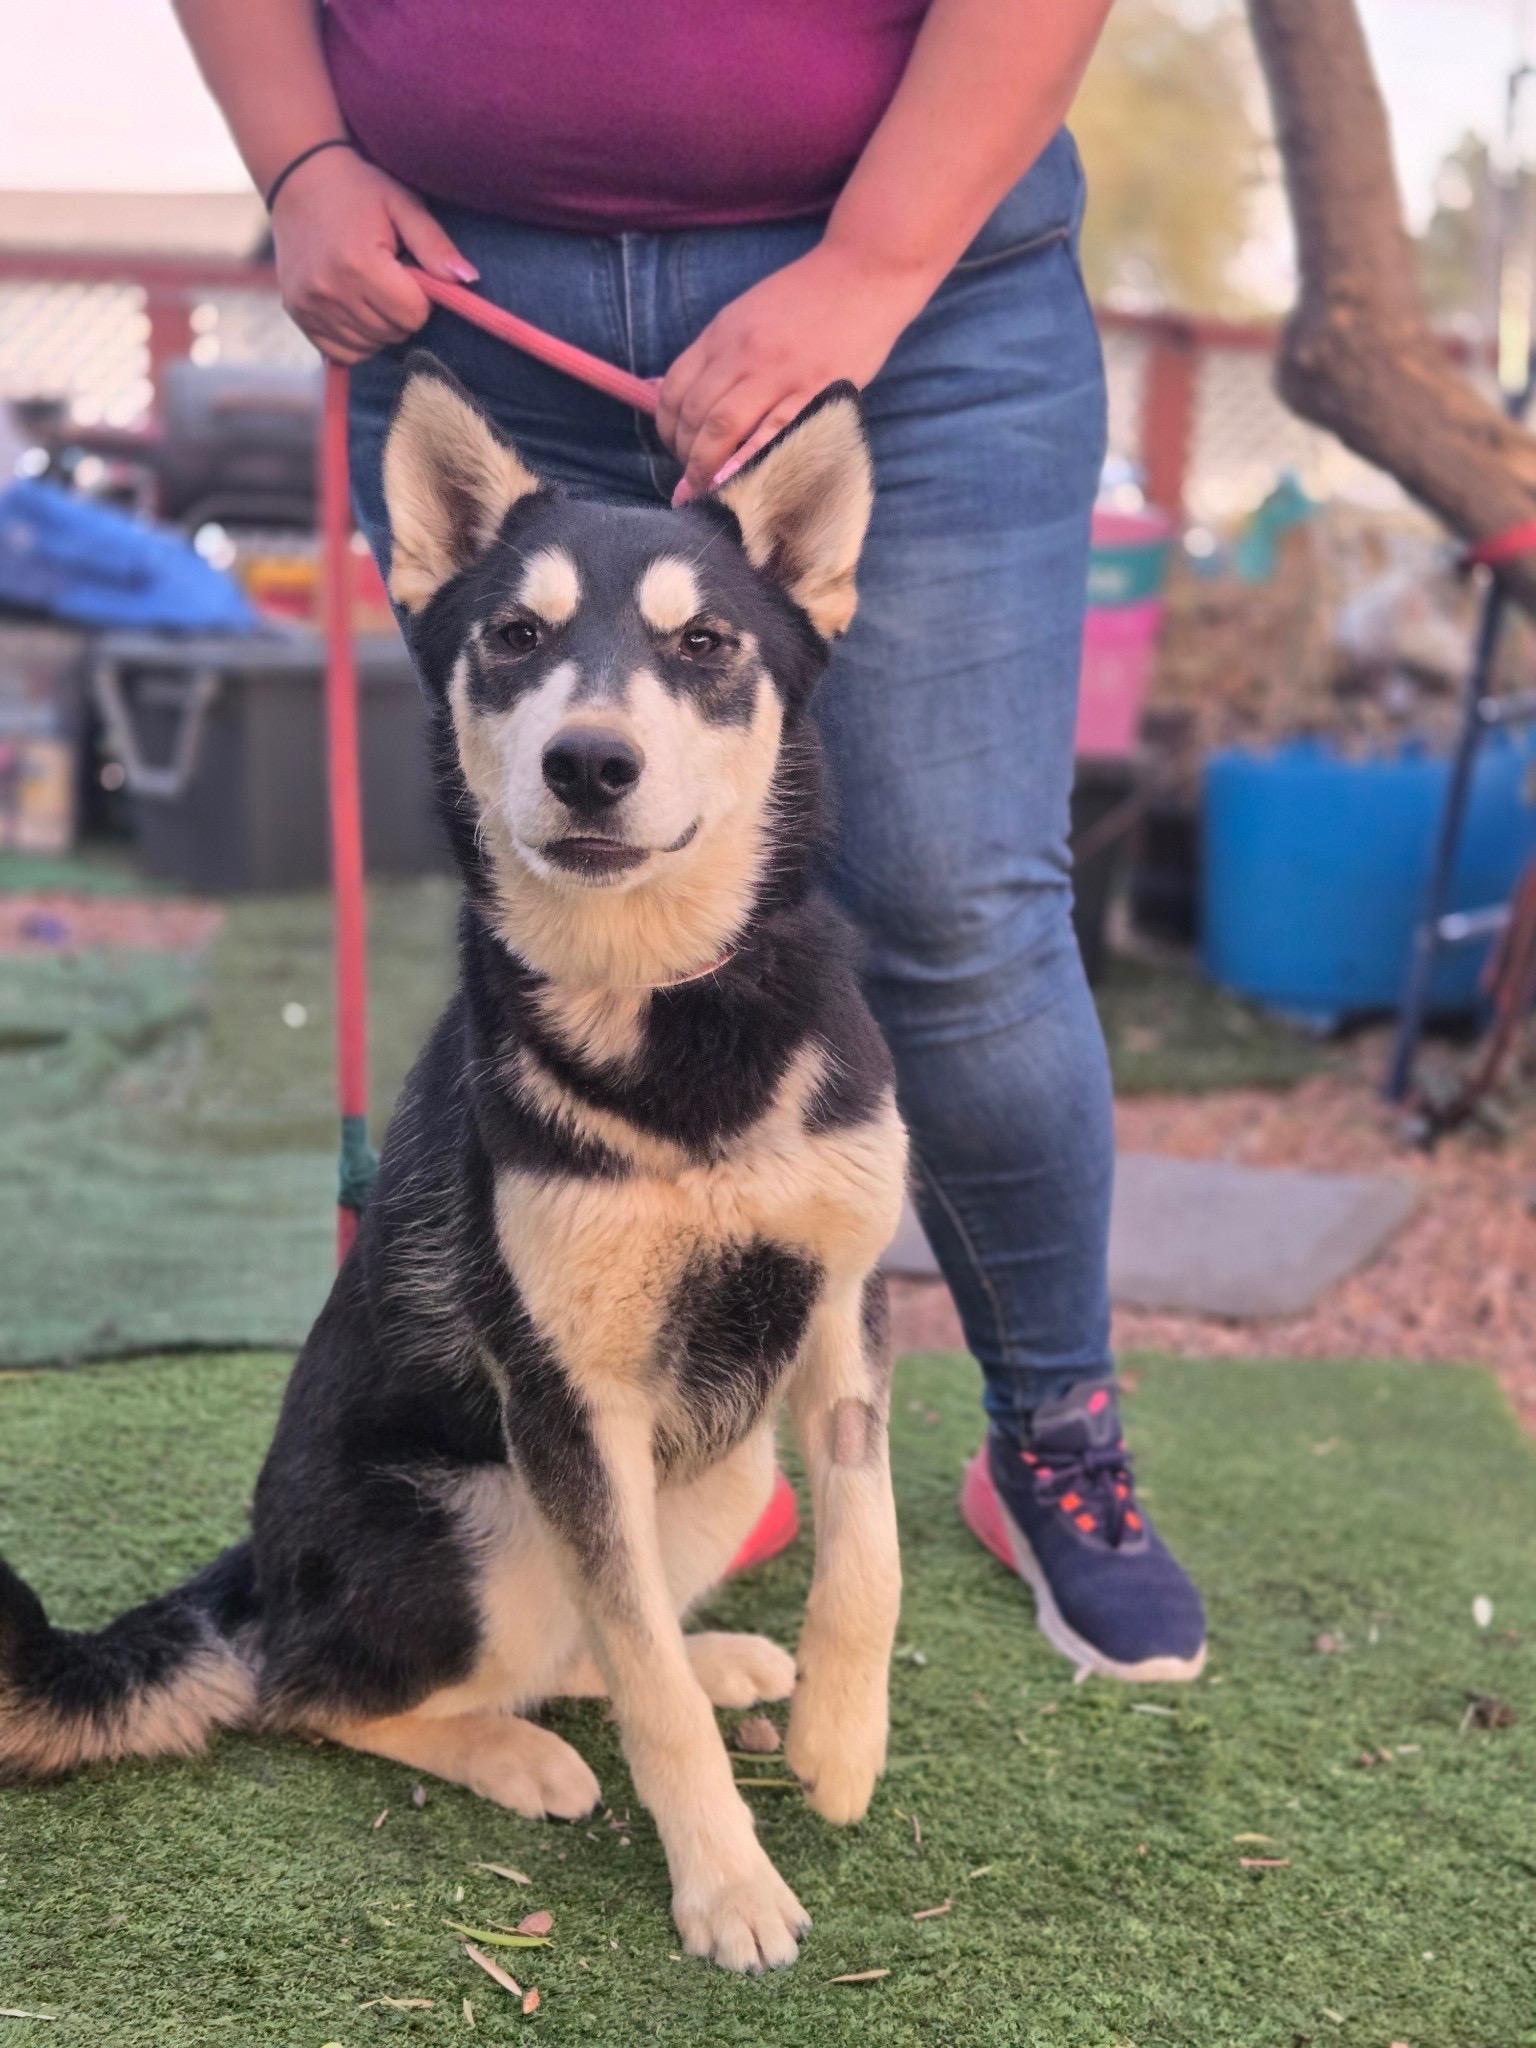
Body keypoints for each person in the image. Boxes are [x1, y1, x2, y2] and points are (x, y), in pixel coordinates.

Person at [174, 0, 1205, 1682]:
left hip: (916, 289)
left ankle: (1052, 1441)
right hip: (460, 292)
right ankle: (681, 1435)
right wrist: (298, 154)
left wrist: (872, 267)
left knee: (957, 905)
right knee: (573, 891)